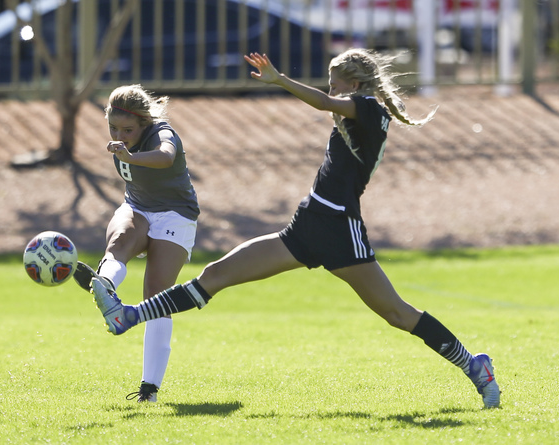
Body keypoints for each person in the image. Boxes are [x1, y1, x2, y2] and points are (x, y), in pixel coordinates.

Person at [88, 50, 500, 409]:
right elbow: (329, 104)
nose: (331, 90)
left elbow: (323, 103)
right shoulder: (356, 111)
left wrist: (279, 80)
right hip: (307, 224)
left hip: (340, 228)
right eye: (331, 85)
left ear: (355, 85)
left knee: (395, 312)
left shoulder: (369, 109)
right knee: (216, 275)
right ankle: (129, 316)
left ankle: (473, 364)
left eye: (336, 84)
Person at [74, 84, 200, 403]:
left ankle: (149, 390)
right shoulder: (124, 139)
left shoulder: (162, 132)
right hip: (138, 206)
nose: (120, 134)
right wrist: (127, 151)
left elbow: (166, 156)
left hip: (176, 215)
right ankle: (104, 287)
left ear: (144, 122)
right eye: (113, 128)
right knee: (117, 243)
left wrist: (130, 155)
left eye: (128, 129)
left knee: (156, 296)